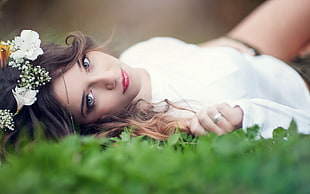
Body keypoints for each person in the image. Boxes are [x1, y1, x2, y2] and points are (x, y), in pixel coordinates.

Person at [0, 0, 309, 153]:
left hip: (252, 50)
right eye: (90, 99)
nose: (107, 78)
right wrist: (242, 118)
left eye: (84, 64)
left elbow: (202, 59)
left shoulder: (139, 56)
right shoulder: (181, 118)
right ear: (89, 127)